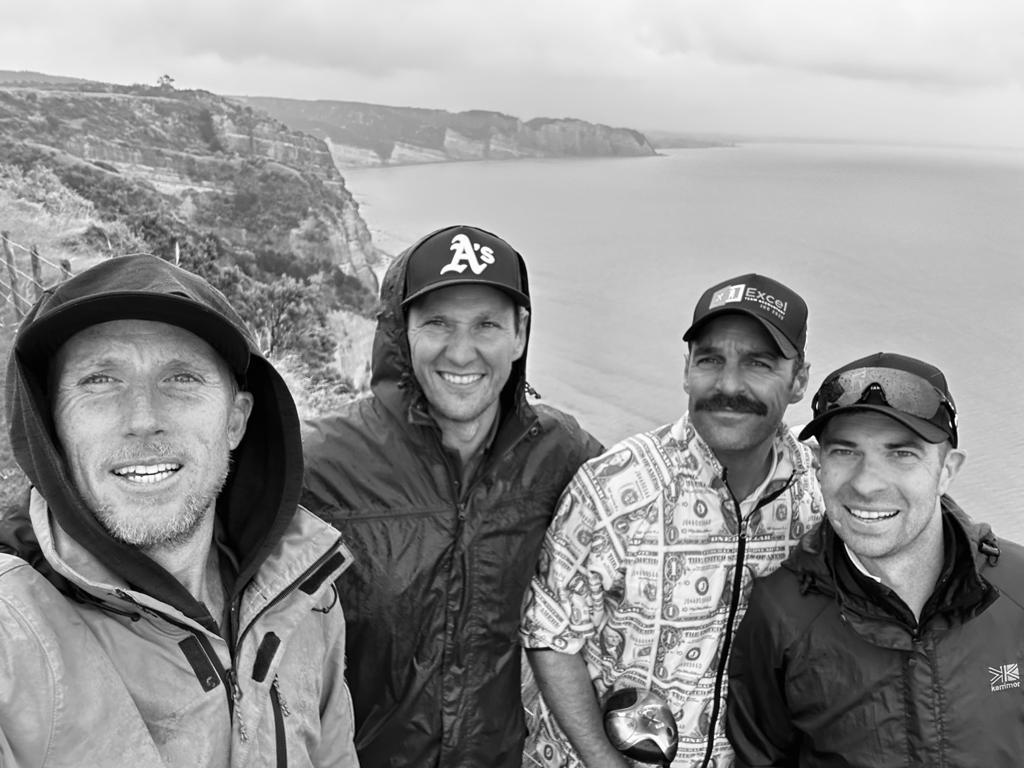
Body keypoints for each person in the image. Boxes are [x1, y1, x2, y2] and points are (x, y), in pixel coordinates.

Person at [0, 255, 359, 767]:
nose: (143, 419)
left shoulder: (304, 596)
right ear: (52, 426)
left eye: (182, 378)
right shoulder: (11, 633)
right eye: (100, 380)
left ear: (235, 421)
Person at [300, 224, 603, 767]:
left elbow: (643, 518)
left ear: (520, 333)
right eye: (437, 322)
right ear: (402, 332)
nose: (462, 353)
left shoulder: (560, 454)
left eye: (486, 324)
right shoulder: (320, 465)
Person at [520, 273, 825, 767]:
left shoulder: (816, 493)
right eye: (710, 360)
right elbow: (550, 636)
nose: (729, 385)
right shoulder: (616, 487)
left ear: (799, 381)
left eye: (759, 363)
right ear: (686, 370)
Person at [726, 352, 1024, 766]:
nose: (866, 485)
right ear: (819, 466)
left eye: (902, 454)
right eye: (844, 452)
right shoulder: (780, 614)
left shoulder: (1017, 589)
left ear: (947, 470)